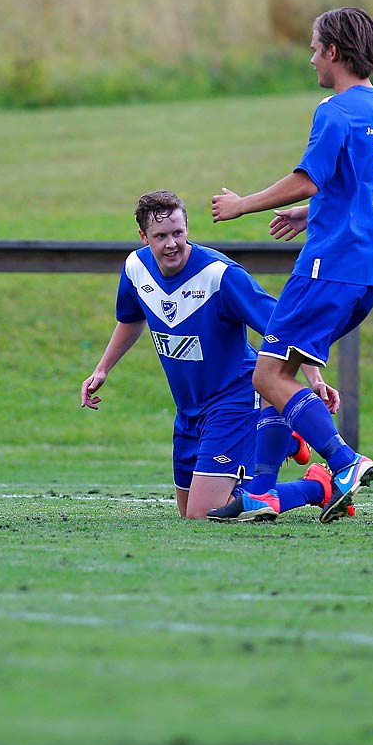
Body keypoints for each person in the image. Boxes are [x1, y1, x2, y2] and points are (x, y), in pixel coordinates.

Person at [207, 6, 373, 524]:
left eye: (315, 48)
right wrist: (307, 212)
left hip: (327, 266)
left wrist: (243, 204)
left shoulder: (333, 111)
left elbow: (308, 177)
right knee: (285, 372)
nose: (311, 57)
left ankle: (343, 462)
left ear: (334, 52)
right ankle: (261, 494)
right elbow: (356, 189)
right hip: (366, 271)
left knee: (268, 375)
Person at [80, 189, 340, 521]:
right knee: (188, 509)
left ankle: (317, 488)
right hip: (188, 408)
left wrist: (314, 377)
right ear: (143, 236)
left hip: (234, 400)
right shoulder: (135, 268)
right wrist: (102, 369)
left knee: (204, 514)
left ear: (187, 228)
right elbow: (130, 319)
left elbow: (282, 329)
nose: (171, 244)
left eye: (178, 233)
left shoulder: (220, 276)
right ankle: (282, 439)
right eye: (160, 236)